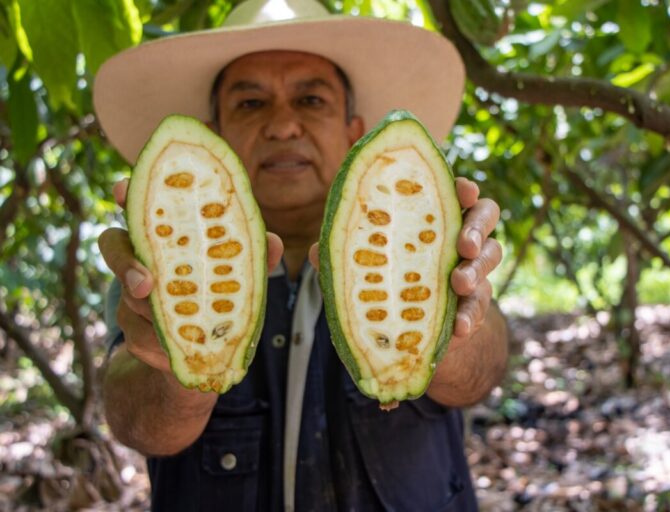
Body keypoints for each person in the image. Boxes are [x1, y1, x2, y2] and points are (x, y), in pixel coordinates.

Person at [95, 0, 509, 510]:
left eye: (311, 100)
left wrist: (452, 322)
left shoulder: (424, 232)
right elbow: (136, 423)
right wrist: (174, 365)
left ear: (355, 132)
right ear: (216, 135)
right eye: (251, 104)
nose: (283, 126)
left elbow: (481, 372)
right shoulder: (159, 255)